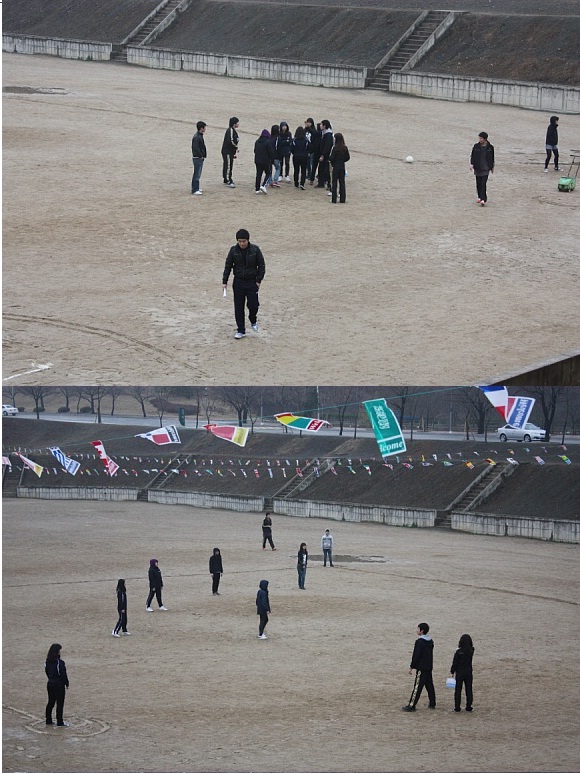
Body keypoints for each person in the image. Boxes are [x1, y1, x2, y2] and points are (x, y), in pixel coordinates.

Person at [222, 229, 266, 339]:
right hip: (238, 282)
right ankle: (241, 330)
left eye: (244, 241)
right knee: (238, 307)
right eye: (240, 241)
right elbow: (228, 266)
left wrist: (258, 281)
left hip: (251, 282)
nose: (242, 243)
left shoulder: (255, 250)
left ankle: (253, 319)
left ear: (248, 240)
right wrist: (224, 281)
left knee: (253, 305)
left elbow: (261, 266)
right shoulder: (233, 250)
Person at [402, 622, 436, 711]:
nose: (417, 630)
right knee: (429, 685)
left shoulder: (420, 642)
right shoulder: (430, 641)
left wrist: (412, 666)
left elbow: (416, 655)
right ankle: (432, 702)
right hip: (428, 666)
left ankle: (412, 705)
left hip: (421, 667)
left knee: (417, 687)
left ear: (422, 631)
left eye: (418, 629)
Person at [45, 643, 69, 727]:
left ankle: (48, 720)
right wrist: (66, 683)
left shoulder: (47, 661)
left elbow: (47, 672)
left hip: (50, 683)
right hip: (59, 684)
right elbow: (63, 674)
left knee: (51, 702)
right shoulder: (60, 662)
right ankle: (60, 721)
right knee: (59, 703)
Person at [450, 633, 475, 712]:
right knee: (469, 689)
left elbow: (455, 662)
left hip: (460, 672)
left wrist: (452, 671)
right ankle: (469, 706)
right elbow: (471, 648)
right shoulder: (471, 650)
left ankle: (457, 706)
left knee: (458, 690)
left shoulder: (458, 652)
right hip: (468, 672)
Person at [470, 131, 494, 206]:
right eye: (479, 138)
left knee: (483, 184)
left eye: (481, 138)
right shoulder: (476, 146)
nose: (480, 140)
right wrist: (472, 164)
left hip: (486, 168)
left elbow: (492, 157)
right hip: (478, 167)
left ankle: (483, 199)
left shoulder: (490, 147)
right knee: (478, 184)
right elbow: (473, 155)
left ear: (485, 139)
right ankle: (480, 196)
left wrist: (492, 167)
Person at [329, 132, 350, 203]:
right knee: (342, 183)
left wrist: (332, 161)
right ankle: (342, 199)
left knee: (334, 183)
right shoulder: (345, 148)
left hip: (336, 167)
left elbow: (331, 158)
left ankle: (334, 199)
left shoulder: (335, 148)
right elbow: (348, 157)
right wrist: (342, 160)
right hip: (342, 166)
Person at [254, 129, 274, 195]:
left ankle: (257, 189)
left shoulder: (257, 141)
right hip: (266, 161)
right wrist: (272, 159)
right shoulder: (268, 142)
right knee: (268, 173)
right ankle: (263, 185)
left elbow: (255, 151)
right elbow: (270, 152)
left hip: (257, 160)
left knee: (258, 174)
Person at [221, 116, 239, 187]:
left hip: (230, 151)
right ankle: (228, 180)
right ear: (234, 124)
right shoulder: (230, 130)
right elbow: (231, 141)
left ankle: (226, 178)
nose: (238, 124)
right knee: (228, 165)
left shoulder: (233, 130)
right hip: (227, 151)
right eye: (237, 123)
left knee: (228, 164)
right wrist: (236, 147)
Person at [316, 120, 334, 190]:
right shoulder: (324, 133)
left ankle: (327, 183)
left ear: (325, 126)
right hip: (324, 155)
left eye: (321, 125)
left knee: (325, 170)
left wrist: (322, 155)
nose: (320, 126)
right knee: (322, 169)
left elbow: (327, 147)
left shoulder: (328, 135)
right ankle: (322, 182)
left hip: (326, 156)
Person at [191, 120, 207, 195]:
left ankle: (196, 187)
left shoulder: (199, 136)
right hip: (197, 157)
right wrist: (201, 155)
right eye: (204, 127)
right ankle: (195, 189)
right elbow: (196, 148)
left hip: (199, 157)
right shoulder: (197, 137)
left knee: (198, 173)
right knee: (197, 173)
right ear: (201, 128)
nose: (205, 129)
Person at [304, 117, 318, 182]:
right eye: (308, 122)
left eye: (310, 122)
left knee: (311, 162)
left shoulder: (314, 130)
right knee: (307, 162)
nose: (308, 123)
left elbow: (314, 134)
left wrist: (308, 127)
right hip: (306, 148)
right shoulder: (305, 130)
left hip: (312, 148)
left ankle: (311, 174)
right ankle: (308, 173)